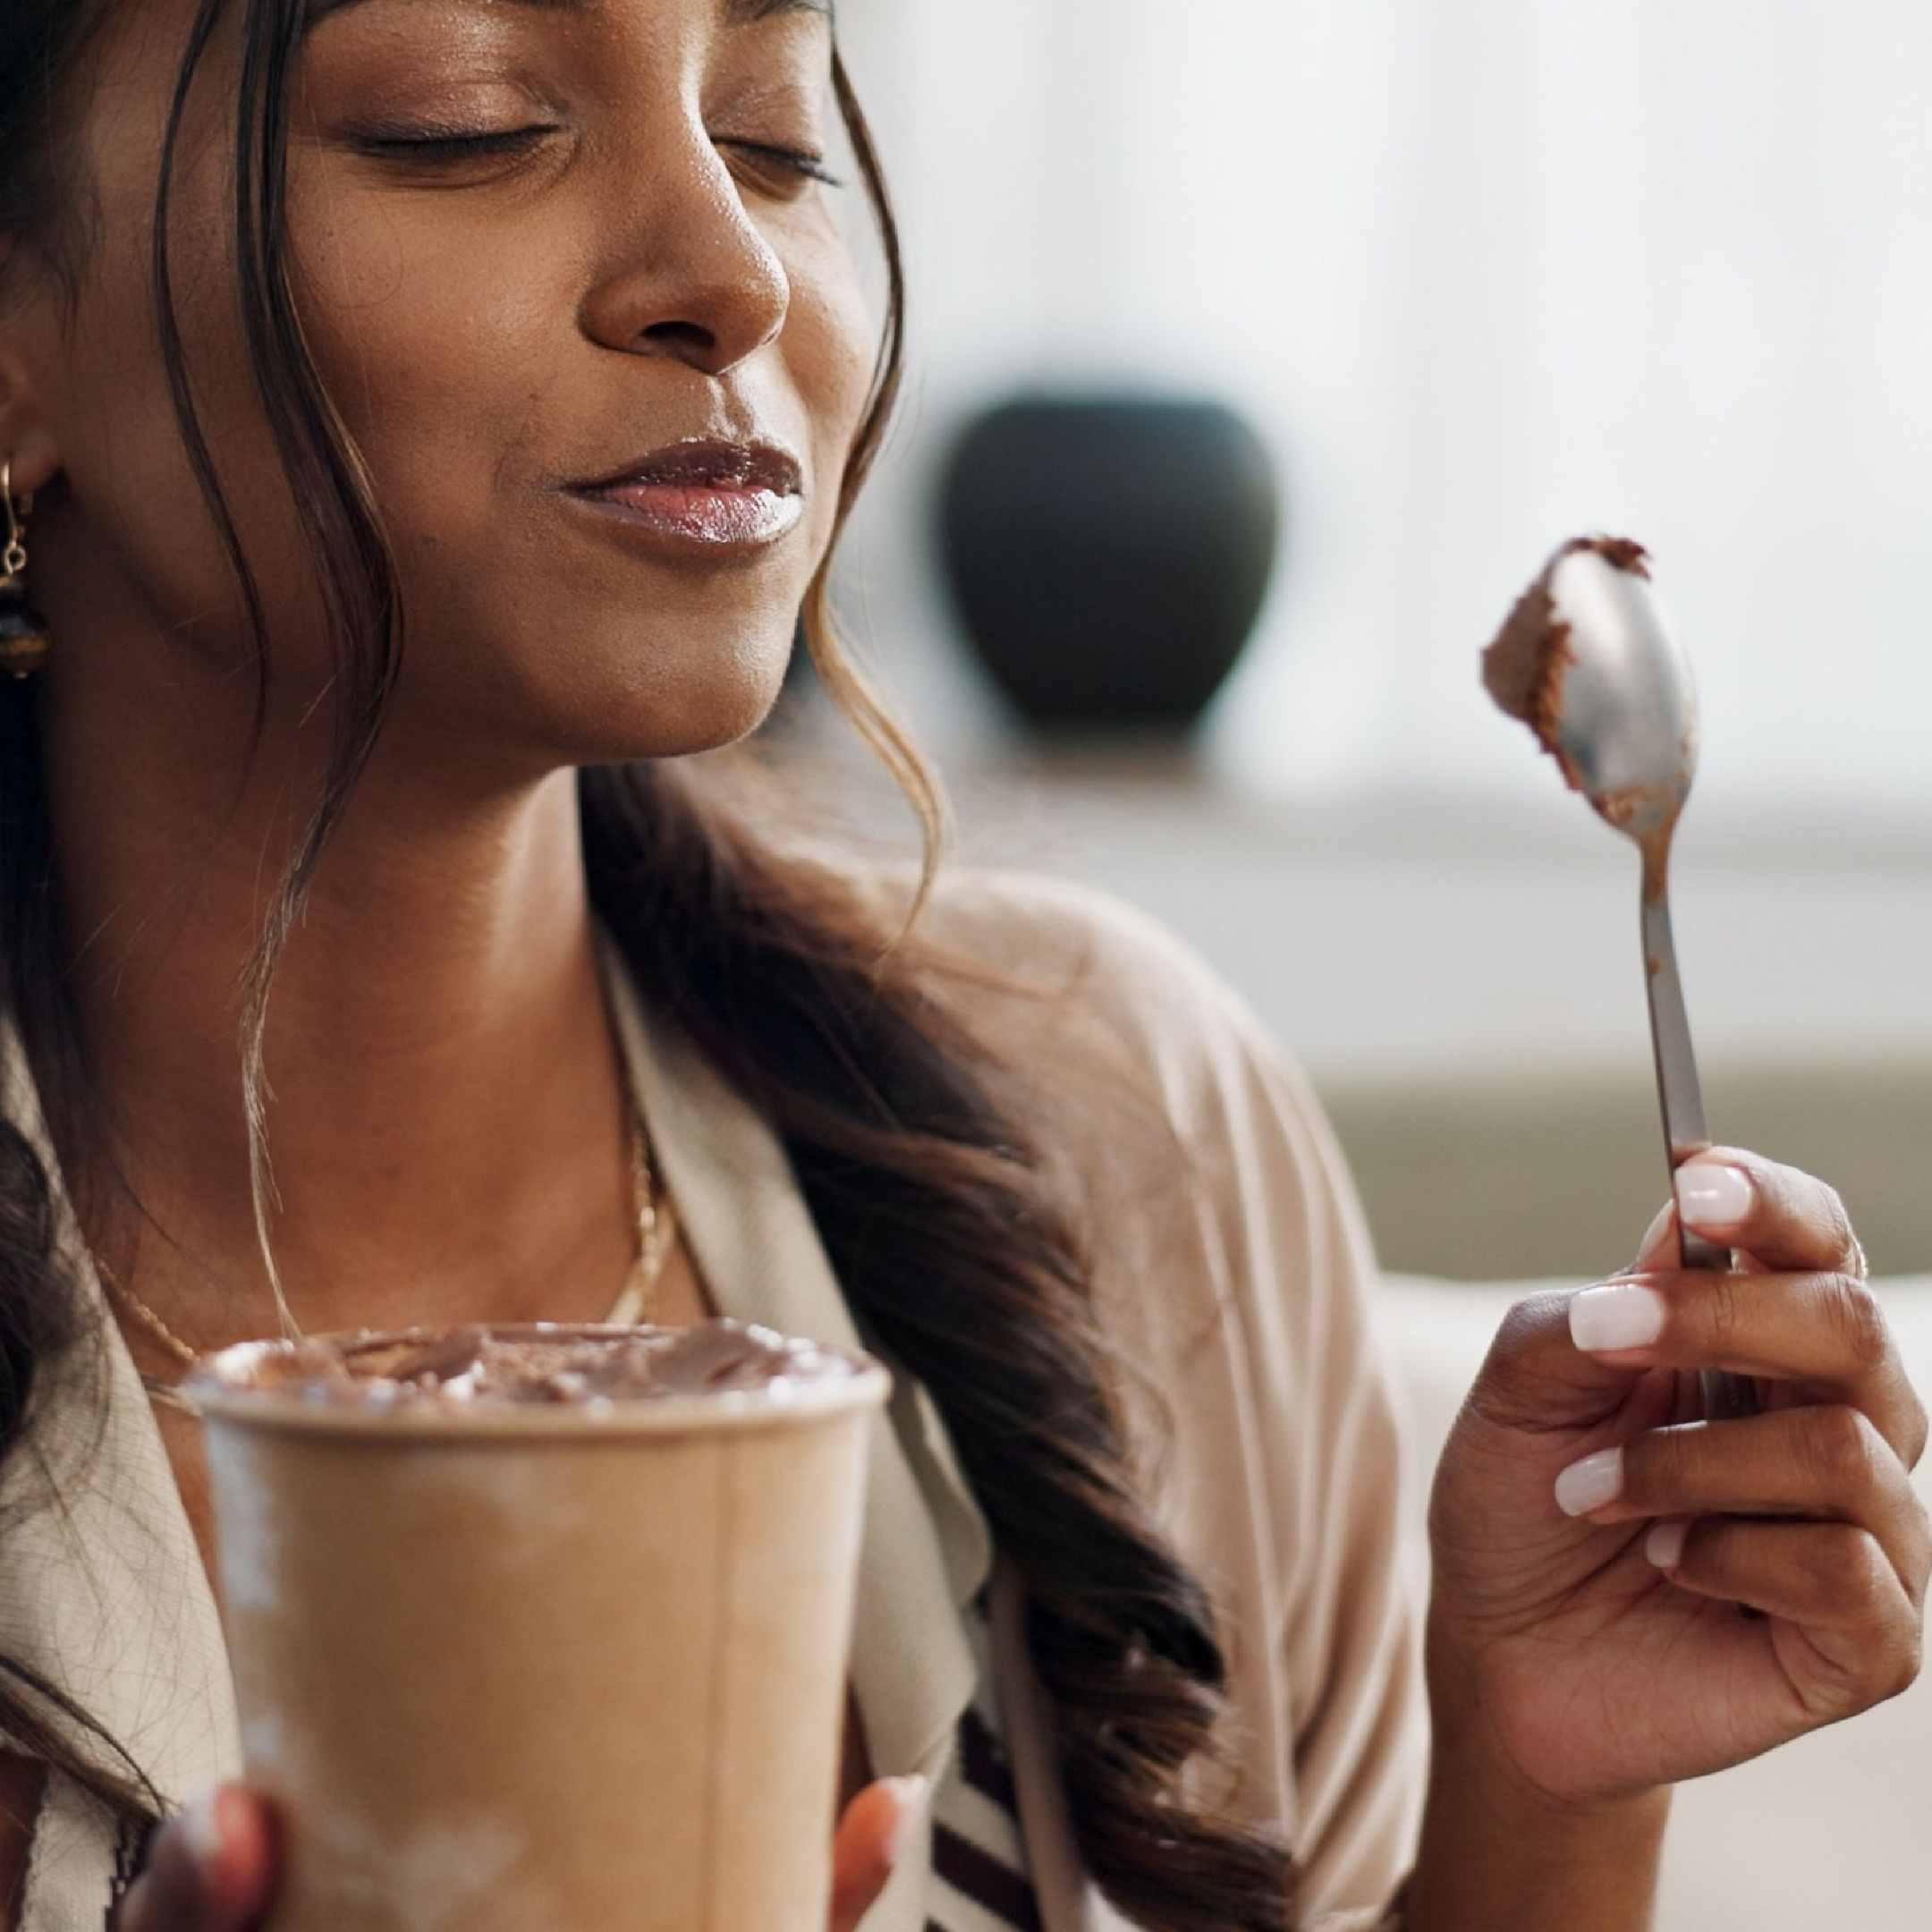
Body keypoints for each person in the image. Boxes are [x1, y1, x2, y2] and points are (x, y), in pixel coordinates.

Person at [0, 0, 1925, 1927]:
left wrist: (1540, 1797)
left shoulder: (1119, 1137)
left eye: (774, 131)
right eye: (466, 122)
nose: (733, 271)